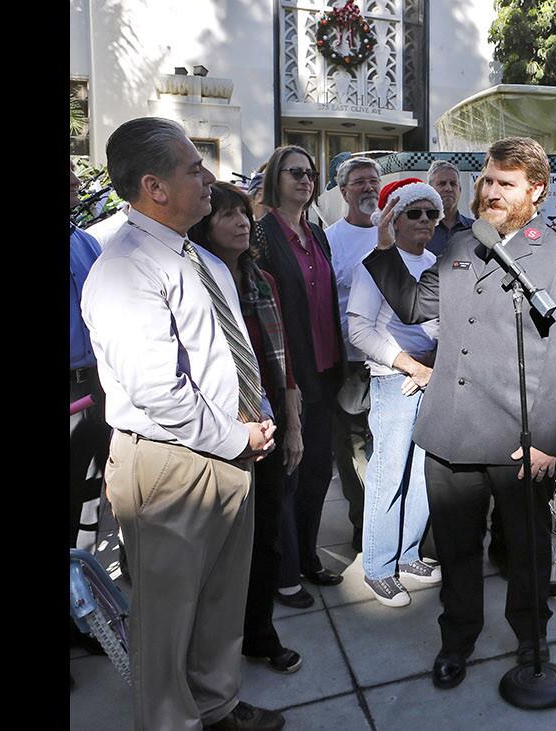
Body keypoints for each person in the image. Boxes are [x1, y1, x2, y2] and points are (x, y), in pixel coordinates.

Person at [362, 137, 556, 690]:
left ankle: (532, 641)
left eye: (504, 183)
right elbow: (416, 306)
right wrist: (385, 247)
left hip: (517, 437)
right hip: (450, 431)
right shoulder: (460, 245)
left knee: (526, 553)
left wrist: (547, 438)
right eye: (487, 179)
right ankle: (456, 641)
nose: (489, 190)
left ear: (534, 192)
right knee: (459, 552)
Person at [81, 117, 283, 730]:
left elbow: (229, 352)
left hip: (228, 453)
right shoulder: (125, 268)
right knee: (166, 623)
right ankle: (173, 722)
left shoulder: (204, 259)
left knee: (221, 602)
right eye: (194, 169)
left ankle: (217, 707)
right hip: (169, 464)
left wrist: (260, 418)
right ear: (154, 187)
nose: (209, 179)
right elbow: (159, 391)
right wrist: (234, 436)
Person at [189, 181, 305, 675]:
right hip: (216, 423)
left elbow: (283, 364)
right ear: (203, 225)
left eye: (244, 214)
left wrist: (293, 423)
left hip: (268, 418)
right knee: (217, 544)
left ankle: (260, 634)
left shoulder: (262, 279)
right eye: (227, 215)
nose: (241, 222)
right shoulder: (193, 281)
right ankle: (210, 648)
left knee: (266, 536)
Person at [254, 145, 346, 608]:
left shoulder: (317, 233)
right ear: (275, 178)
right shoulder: (262, 235)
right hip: (288, 373)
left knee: (314, 474)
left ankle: (307, 556)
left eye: (310, 173)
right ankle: (284, 573)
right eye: (296, 172)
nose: (306, 180)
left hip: (326, 368)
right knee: (287, 477)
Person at [347, 177, 444, 607]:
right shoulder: (374, 264)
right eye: (414, 212)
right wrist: (409, 364)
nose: (424, 220)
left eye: (431, 213)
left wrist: (434, 369)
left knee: (423, 472)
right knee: (389, 473)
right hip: (394, 380)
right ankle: (379, 567)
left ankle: (407, 556)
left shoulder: (437, 262)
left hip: (432, 378)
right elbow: (359, 330)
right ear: (393, 219)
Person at [324, 155, 383, 552]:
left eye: (372, 181)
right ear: (343, 192)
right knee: (353, 451)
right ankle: (364, 525)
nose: (367, 188)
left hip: (394, 363)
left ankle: (389, 522)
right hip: (350, 363)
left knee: (388, 448)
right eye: (359, 182)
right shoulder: (329, 240)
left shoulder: (393, 230)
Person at [69, 159, 110, 554]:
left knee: (104, 486)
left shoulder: (86, 242)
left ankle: (87, 576)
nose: (76, 181)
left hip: (97, 382)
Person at [425, 160, 473, 258]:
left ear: (460, 190)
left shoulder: (474, 230)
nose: (448, 188)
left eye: (453, 183)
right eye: (442, 184)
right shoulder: (420, 229)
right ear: (429, 190)